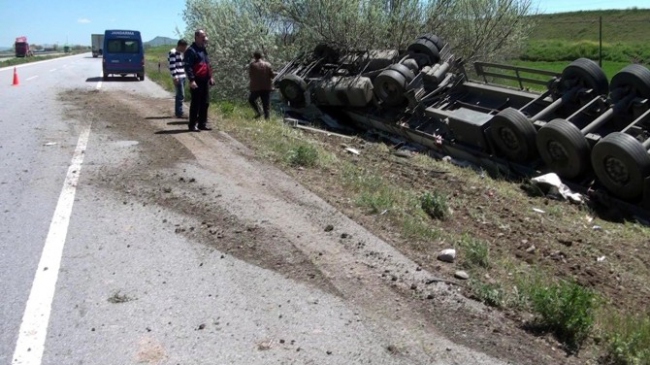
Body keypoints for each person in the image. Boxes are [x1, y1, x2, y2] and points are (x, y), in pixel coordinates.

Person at [184, 29, 215, 132]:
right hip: (196, 80)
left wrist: (210, 77)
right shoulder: (191, 50)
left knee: (205, 103)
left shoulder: (203, 49)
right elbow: (188, 66)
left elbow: (207, 65)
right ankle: (192, 125)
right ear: (196, 37)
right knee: (196, 103)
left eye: (205, 36)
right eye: (202, 36)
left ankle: (202, 124)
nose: (204, 38)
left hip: (204, 80)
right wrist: (192, 80)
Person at [248, 50, 275, 120]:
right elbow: (272, 76)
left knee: (251, 100)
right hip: (266, 87)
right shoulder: (268, 65)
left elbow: (251, 75)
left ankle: (258, 112)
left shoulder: (252, 65)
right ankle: (267, 119)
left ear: (254, 56)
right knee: (266, 104)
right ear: (261, 56)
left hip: (256, 88)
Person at [168, 39, 188, 118]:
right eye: (184, 47)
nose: (184, 49)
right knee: (180, 95)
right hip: (178, 76)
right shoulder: (173, 52)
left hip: (182, 75)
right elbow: (172, 66)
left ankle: (179, 111)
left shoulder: (181, 53)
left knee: (181, 95)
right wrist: (175, 77)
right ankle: (179, 112)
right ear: (180, 46)